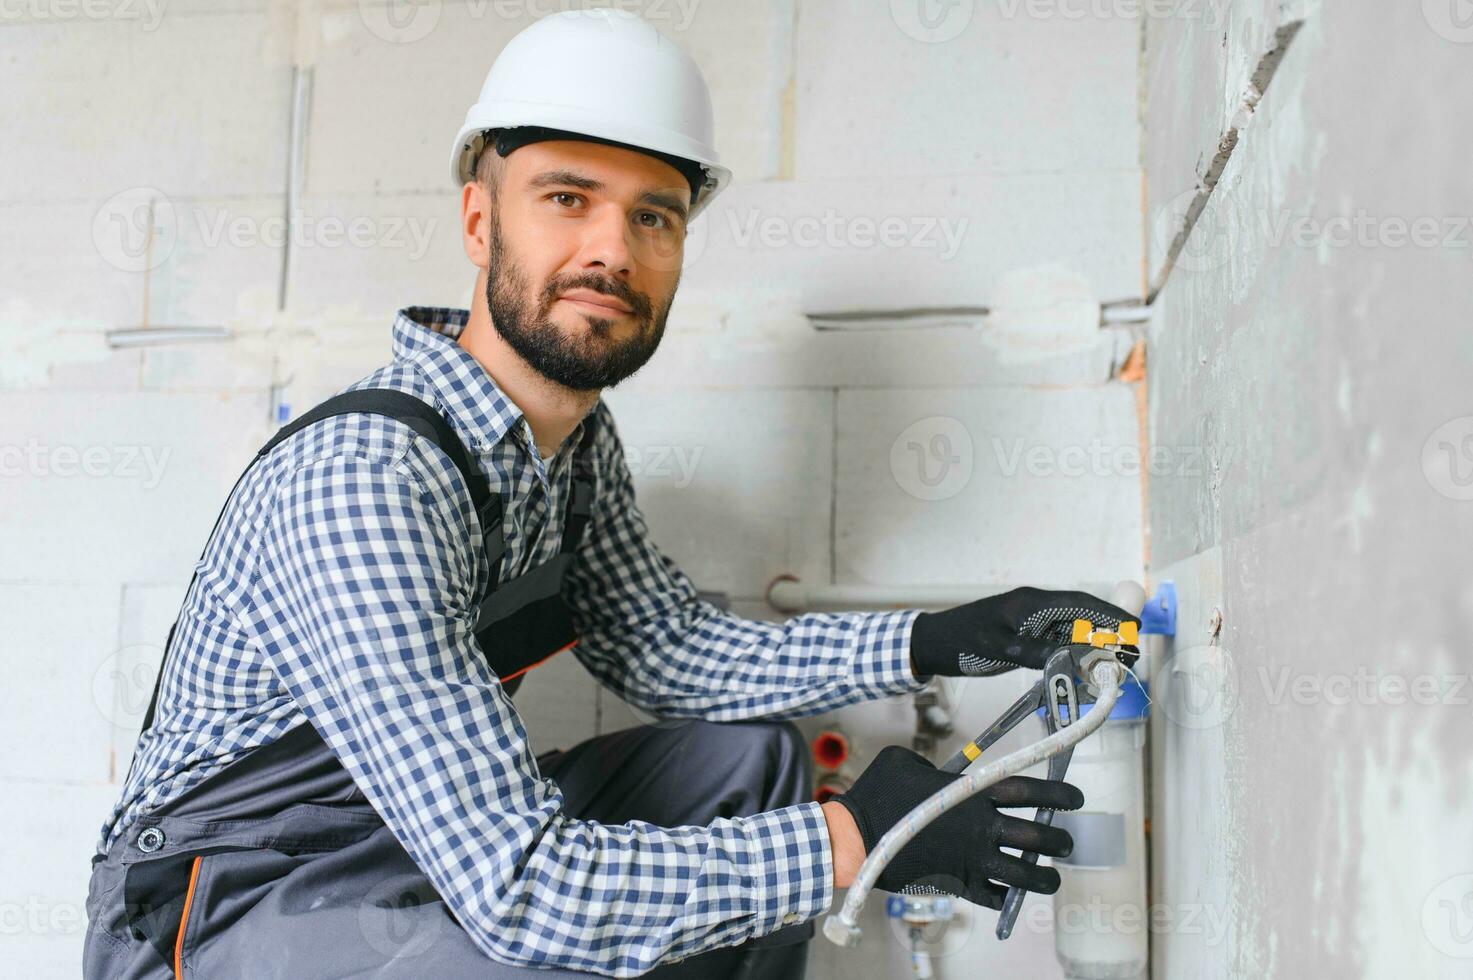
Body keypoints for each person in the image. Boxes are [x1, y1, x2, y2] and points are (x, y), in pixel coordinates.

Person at [82, 10, 1139, 978]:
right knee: (537, 939)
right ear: (477, 222)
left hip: (412, 845)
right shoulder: (369, 478)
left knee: (756, 761)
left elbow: (667, 648)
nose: (610, 251)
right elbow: (517, 888)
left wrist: (938, 636)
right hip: (228, 909)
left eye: (654, 217)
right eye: (564, 199)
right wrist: (851, 837)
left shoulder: (571, 443)